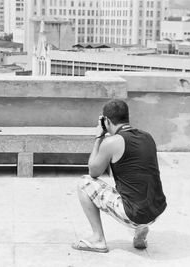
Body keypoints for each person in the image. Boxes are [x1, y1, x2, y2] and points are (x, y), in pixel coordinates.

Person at [72, 99, 166, 253]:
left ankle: (98, 239)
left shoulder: (112, 142)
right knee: (137, 185)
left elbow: (93, 171)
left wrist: (98, 139)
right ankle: (141, 230)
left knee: (84, 183)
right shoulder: (148, 137)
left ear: (106, 121)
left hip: (134, 214)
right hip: (156, 210)